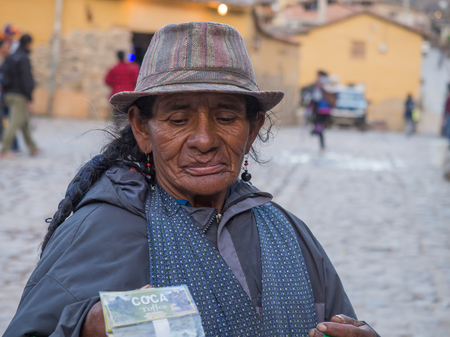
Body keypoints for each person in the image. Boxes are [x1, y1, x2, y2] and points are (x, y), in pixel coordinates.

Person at [5, 22, 379, 337]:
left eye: (227, 118)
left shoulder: (288, 235)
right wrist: (83, 328)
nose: (204, 140)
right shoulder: (99, 231)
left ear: (252, 129)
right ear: (141, 128)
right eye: (178, 120)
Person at [0, 34, 39, 158]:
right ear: (27, 43)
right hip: (20, 95)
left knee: (24, 121)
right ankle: (5, 149)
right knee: (14, 122)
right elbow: (26, 79)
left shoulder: (10, 57)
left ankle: (32, 147)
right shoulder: (23, 58)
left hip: (9, 94)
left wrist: (5, 92)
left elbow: (3, 75)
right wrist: (30, 96)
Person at [0, 37, 19, 151]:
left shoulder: (8, 60)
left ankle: (13, 144)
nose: (8, 49)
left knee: (10, 119)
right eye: (6, 47)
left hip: (5, 94)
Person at [310, 71, 335, 151]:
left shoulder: (320, 84)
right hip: (327, 110)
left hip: (320, 109)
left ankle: (316, 133)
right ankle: (321, 144)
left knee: (318, 125)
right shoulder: (329, 84)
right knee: (320, 126)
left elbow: (316, 97)